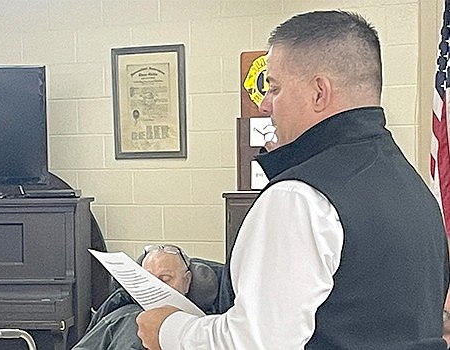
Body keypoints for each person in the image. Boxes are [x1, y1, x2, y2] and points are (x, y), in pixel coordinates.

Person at [137, 10, 450, 350]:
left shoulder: (301, 196)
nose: (265, 104)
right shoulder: (414, 188)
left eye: (274, 87)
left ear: (319, 93)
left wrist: (168, 330)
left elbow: (256, 343)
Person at [72, 245, 193, 350]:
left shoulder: (202, 328)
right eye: (148, 279)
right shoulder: (120, 319)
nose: (155, 286)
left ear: (186, 281)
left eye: (165, 279)